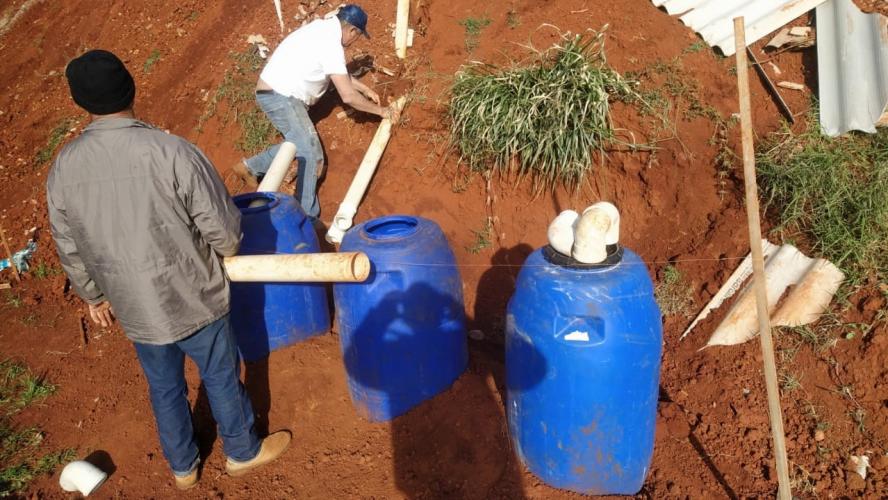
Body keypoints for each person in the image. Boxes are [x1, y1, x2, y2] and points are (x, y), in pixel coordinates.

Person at [46, 50, 290, 490]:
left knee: (164, 387)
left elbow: (68, 241)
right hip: (192, 294)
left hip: (135, 308)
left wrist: (93, 294)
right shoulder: (171, 151)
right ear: (131, 88)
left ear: (80, 102)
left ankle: (183, 468)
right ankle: (241, 451)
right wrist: (226, 250)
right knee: (219, 374)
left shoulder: (65, 166)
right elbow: (223, 229)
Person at [231, 4, 401, 220]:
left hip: (276, 92)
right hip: (281, 96)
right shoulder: (331, 44)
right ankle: (306, 218)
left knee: (298, 144)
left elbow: (337, 73)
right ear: (352, 31)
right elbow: (347, 96)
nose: (353, 43)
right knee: (312, 154)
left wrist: (364, 88)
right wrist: (382, 111)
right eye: (357, 37)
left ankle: (249, 167)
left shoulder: (323, 29)